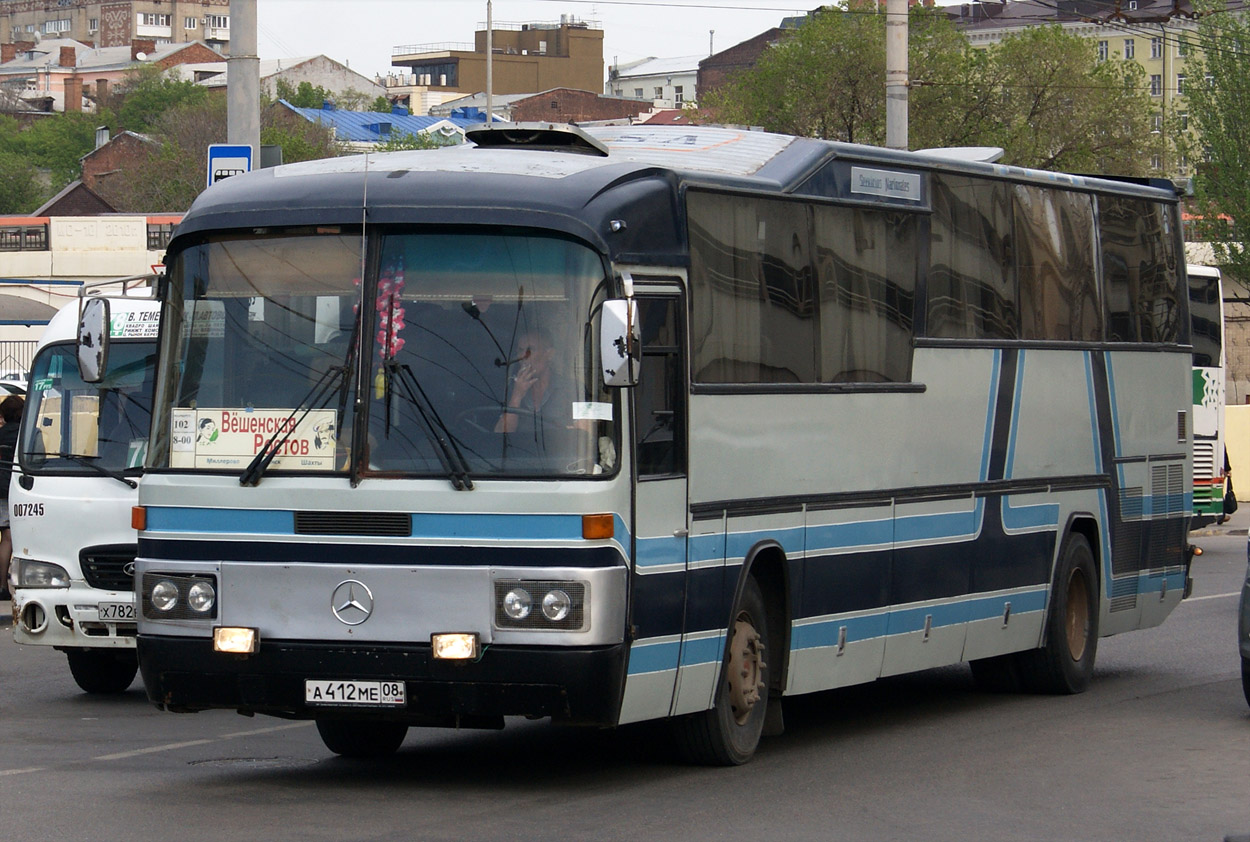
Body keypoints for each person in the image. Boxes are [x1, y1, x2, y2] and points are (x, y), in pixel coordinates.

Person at [0, 394, 24, 600]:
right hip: (16, 490)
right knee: (10, 537)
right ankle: (4, 585)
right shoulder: (27, 435)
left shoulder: (0, 435)